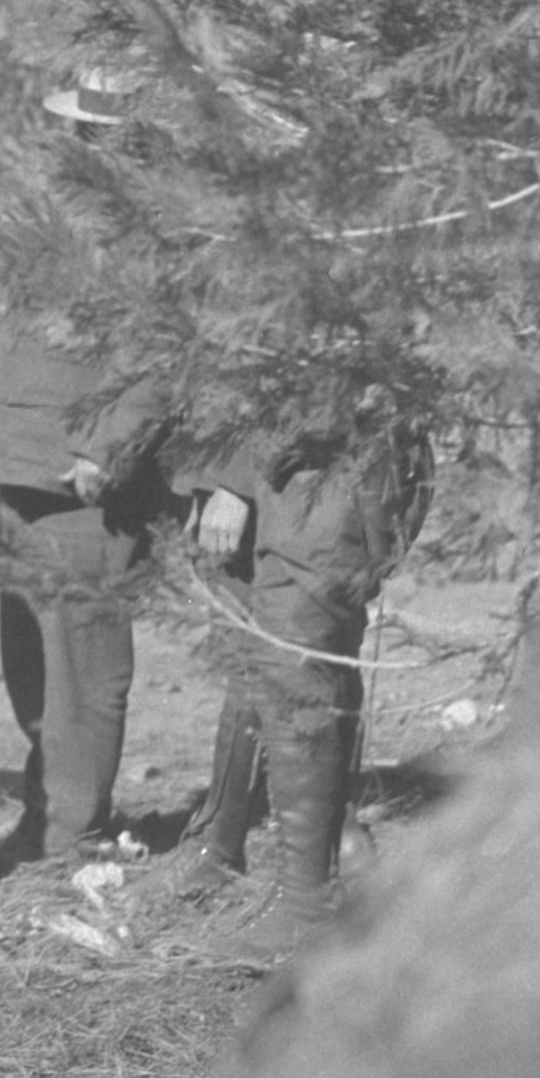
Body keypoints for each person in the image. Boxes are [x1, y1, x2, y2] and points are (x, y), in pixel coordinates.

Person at [0, 79, 171, 861]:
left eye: (77, 129)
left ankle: (73, 829)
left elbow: (162, 356)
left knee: (85, 666)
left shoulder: (147, 229)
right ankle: (47, 819)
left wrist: (106, 451)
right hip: (24, 472)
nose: (63, 142)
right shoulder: (73, 220)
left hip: (82, 484)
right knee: (33, 663)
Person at [163, 404, 431, 953]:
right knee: (266, 657)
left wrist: (230, 480)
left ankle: (306, 904)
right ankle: (257, 862)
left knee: (299, 668)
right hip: (286, 462)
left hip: (321, 467)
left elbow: (315, 361)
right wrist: (211, 479)